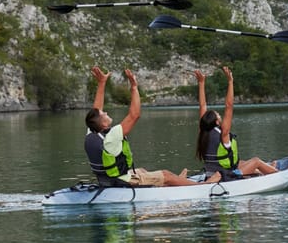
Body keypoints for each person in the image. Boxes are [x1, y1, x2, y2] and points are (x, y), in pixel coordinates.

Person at [84, 66, 220, 187]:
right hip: (122, 181)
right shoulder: (112, 137)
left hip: (106, 180)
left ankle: (177, 181)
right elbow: (134, 115)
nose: (106, 112)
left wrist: (102, 83)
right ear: (102, 123)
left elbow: (95, 111)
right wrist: (134, 87)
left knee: (142, 170)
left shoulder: (92, 132)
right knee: (166, 174)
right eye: (104, 114)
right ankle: (201, 185)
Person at [194, 67, 278, 182]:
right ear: (217, 122)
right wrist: (230, 82)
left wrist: (201, 83)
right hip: (225, 176)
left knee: (242, 162)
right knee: (256, 161)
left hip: (212, 175)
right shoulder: (223, 134)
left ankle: (267, 170)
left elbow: (202, 106)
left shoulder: (203, 131)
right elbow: (229, 106)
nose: (220, 115)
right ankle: (277, 174)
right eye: (218, 115)